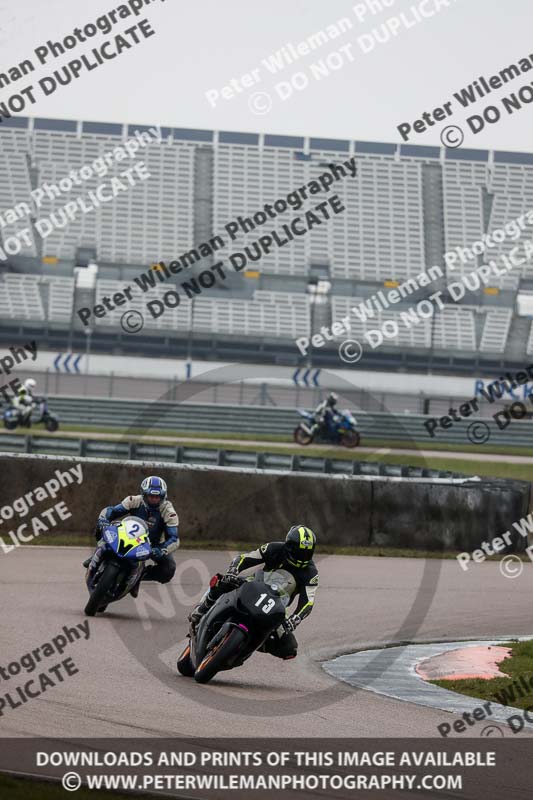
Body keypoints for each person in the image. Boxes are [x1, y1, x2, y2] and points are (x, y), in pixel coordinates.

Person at [189, 525, 319, 660]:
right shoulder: (273, 548)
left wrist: (295, 619)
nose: (302, 557)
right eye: (299, 551)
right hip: (252, 585)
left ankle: (250, 645)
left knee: (289, 649)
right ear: (289, 545)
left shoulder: (311, 573)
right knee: (222, 581)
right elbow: (245, 558)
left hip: (275, 607)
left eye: (306, 553)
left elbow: (308, 602)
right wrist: (233, 571)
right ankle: (201, 609)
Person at [84, 476, 179, 591]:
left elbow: (174, 538)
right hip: (128, 535)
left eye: (157, 497)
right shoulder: (133, 500)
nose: (154, 499)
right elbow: (112, 511)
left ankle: (140, 575)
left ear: (163, 496)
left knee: (169, 569)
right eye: (151, 496)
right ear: (144, 494)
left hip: (152, 545)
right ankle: (99, 552)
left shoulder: (168, 511)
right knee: (102, 526)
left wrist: (162, 550)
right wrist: (104, 519)